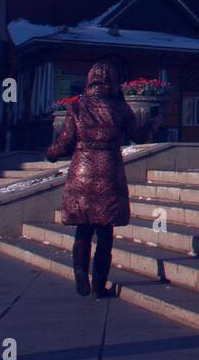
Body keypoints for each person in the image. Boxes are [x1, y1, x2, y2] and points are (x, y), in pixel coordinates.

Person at [45, 61, 161, 298]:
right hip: (109, 171)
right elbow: (139, 137)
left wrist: (51, 153)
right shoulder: (120, 109)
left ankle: (80, 272)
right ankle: (99, 284)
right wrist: (152, 124)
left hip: (81, 172)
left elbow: (65, 142)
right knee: (105, 230)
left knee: (83, 227)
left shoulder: (77, 108)